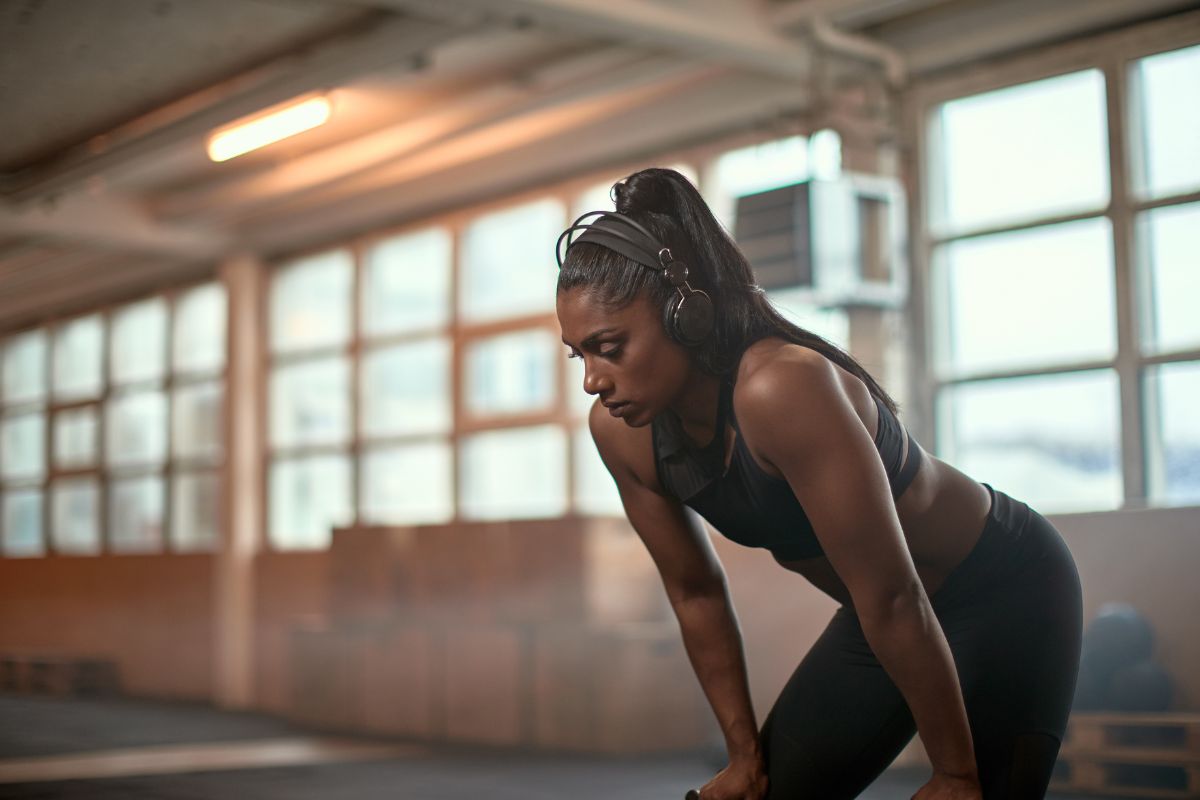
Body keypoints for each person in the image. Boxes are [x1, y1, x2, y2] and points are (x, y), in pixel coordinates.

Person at [554, 167, 1083, 800]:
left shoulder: (780, 387)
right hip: (883, 612)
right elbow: (695, 592)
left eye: (610, 347)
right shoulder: (622, 435)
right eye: (578, 354)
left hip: (1005, 586)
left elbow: (895, 593)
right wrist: (743, 758)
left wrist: (954, 774)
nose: (592, 379)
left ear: (684, 313)